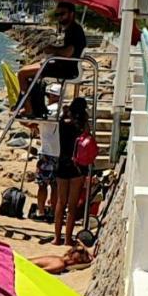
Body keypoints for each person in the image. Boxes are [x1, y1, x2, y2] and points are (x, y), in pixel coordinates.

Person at [17, 2, 87, 117]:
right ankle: (35, 107)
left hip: (66, 69)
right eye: (57, 14)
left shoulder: (74, 31)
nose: (59, 17)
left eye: (62, 14)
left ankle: (28, 107)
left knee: (22, 74)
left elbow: (68, 53)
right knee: (29, 73)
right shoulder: (72, 29)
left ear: (72, 14)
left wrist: (52, 50)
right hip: (64, 66)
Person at [54, 97, 91, 246]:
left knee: (60, 202)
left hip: (62, 163)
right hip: (77, 166)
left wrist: (65, 113)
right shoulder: (82, 125)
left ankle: (56, 238)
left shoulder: (63, 123)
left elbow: (60, 121)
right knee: (72, 204)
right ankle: (68, 238)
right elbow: (89, 140)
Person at [29, 84, 62, 222]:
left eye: (49, 95)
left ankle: (41, 211)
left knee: (42, 184)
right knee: (55, 185)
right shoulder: (64, 110)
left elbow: (32, 123)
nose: (48, 98)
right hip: (59, 152)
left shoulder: (48, 110)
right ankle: (53, 212)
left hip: (47, 152)